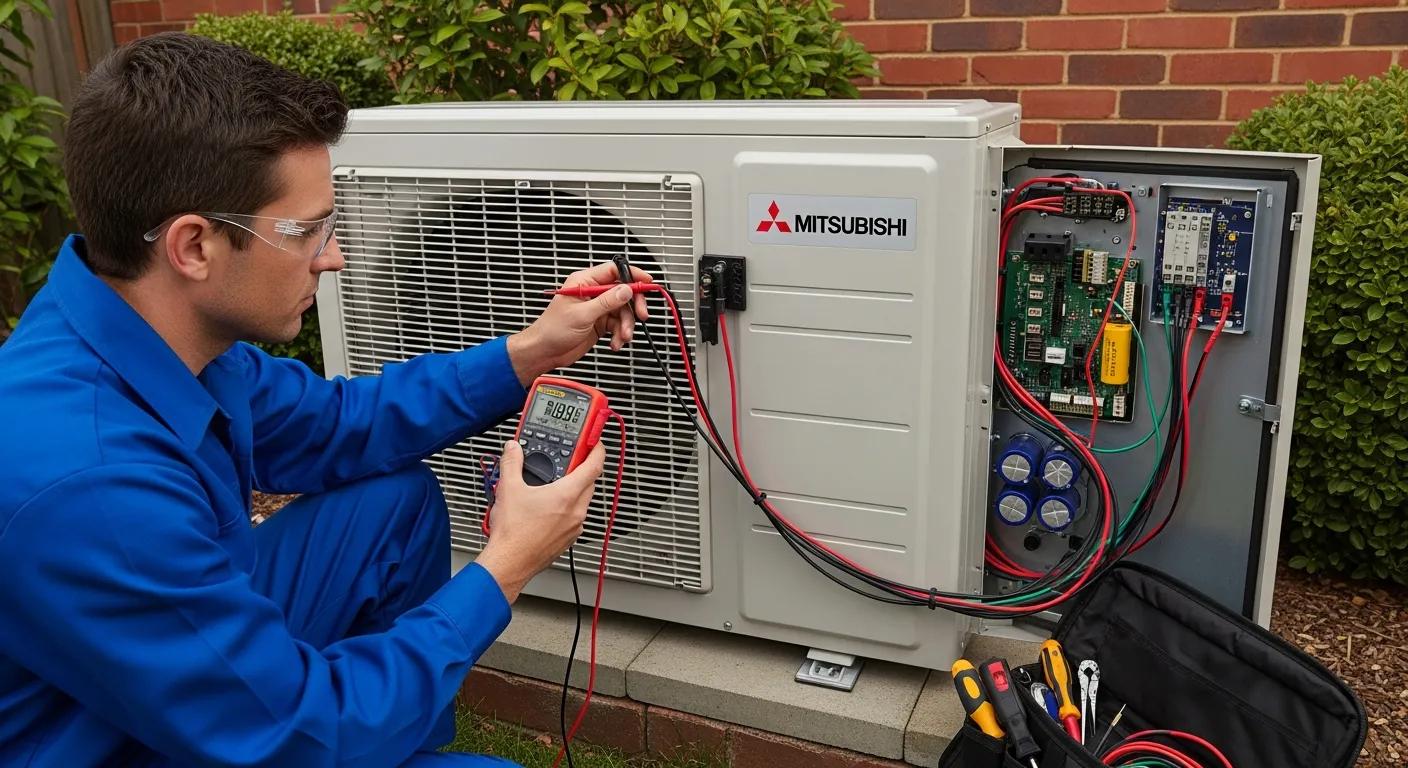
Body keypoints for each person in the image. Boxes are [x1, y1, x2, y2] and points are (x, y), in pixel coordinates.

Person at [0, 32, 653, 767]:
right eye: (309, 230)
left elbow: (344, 424)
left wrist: (526, 356)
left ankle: (399, 743)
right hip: (108, 743)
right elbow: (297, 730)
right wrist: (506, 564)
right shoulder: (91, 485)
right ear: (193, 247)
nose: (333, 255)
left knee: (392, 504)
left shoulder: (151, 336)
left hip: (154, 669)